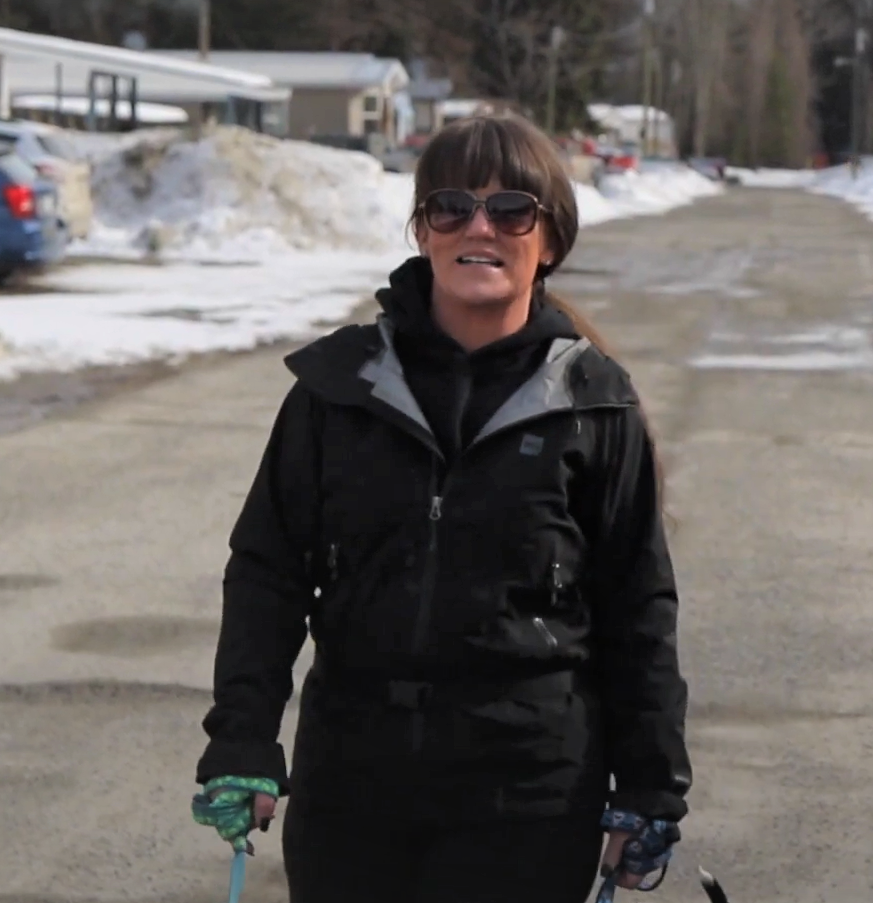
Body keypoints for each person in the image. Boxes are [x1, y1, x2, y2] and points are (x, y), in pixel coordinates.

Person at [189, 112, 692, 903]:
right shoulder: (338, 389)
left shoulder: (594, 404)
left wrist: (651, 784)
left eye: (510, 210)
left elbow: (637, 605)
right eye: (451, 207)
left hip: (529, 797)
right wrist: (242, 737)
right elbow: (267, 574)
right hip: (353, 786)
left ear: (550, 239)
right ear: (423, 231)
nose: (478, 227)